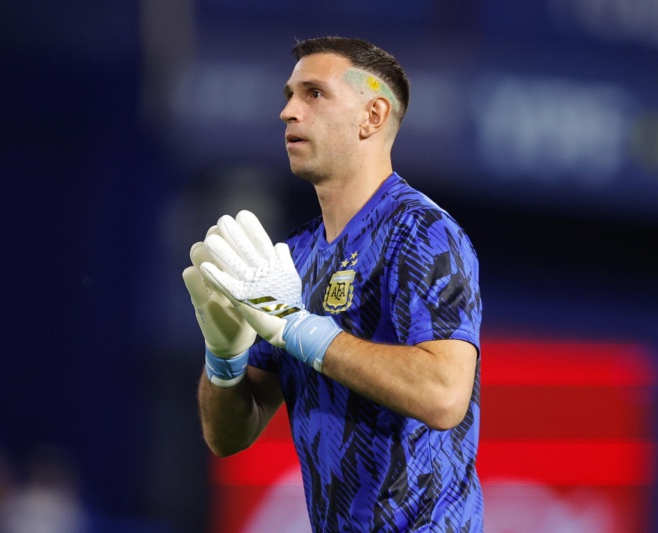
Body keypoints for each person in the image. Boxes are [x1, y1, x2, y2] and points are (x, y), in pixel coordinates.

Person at [183, 36, 483, 532]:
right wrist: (223, 359)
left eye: (314, 93)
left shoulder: (422, 232)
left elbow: (444, 395)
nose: (288, 111)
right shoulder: (293, 259)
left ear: (372, 117)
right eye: (289, 95)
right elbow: (229, 436)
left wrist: (299, 328)